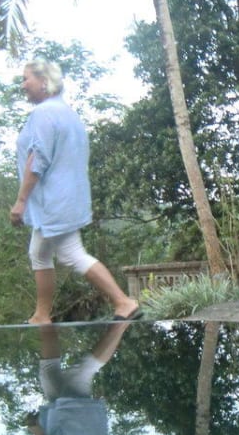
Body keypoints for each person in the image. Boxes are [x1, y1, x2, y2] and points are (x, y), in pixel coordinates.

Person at [10, 59, 141, 324]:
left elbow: (38, 159)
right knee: (39, 252)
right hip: (66, 199)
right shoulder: (68, 114)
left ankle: (123, 302)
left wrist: (21, 201)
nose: (23, 85)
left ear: (44, 81)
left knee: (71, 253)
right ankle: (41, 315)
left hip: (54, 201)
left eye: (26, 79)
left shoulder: (43, 113)